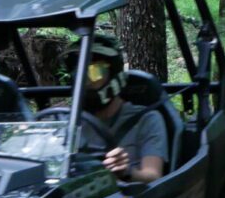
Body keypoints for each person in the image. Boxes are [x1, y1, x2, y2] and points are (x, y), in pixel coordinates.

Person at [64, 34, 166, 184]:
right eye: (79, 74)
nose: (86, 82)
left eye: (94, 72)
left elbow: (153, 175)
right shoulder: (70, 122)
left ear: (114, 73)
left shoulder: (147, 119)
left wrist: (126, 171)